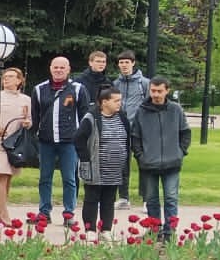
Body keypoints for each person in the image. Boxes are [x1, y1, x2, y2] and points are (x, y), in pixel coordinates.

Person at [131, 75, 191, 240]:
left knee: (171, 198)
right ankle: (154, 229)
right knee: (151, 199)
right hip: (149, 163)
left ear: (167, 91)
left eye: (159, 91)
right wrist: (140, 156)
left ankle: (170, 232)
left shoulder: (175, 109)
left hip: (172, 162)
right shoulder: (142, 111)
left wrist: (181, 152)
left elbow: (185, 132)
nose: (156, 94)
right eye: (153, 91)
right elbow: (135, 137)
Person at [30, 56, 89, 223]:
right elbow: (35, 116)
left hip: (69, 142)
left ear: (68, 69)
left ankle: (69, 213)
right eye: (55, 67)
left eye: (62, 67)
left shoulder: (78, 89)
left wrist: (81, 138)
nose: (58, 70)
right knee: (44, 177)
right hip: (46, 141)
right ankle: (44, 212)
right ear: (50, 68)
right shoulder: (39, 89)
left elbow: (85, 116)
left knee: (70, 178)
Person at [75, 85, 129, 233]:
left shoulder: (122, 117)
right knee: (92, 199)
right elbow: (79, 139)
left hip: (115, 169)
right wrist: (86, 160)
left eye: (120, 100)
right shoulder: (91, 118)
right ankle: (90, 230)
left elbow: (127, 139)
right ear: (104, 102)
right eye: (116, 100)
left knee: (109, 201)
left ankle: (106, 230)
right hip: (96, 167)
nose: (119, 103)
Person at [0, 66, 33, 217]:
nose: (6, 79)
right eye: (5, 77)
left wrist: (27, 123)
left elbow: (29, 120)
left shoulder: (26, 100)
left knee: (8, 177)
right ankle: (3, 213)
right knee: (1, 176)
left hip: (15, 144)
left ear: (19, 80)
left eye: (11, 76)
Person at [111, 50, 147, 206]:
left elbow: (148, 105)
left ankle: (147, 199)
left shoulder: (144, 83)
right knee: (122, 163)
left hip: (140, 130)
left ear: (133, 63)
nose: (124, 65)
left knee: (144, 164)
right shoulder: (116, 84)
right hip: (121, 129)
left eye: (127, 62)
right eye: (121, 62)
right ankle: (124, 198)